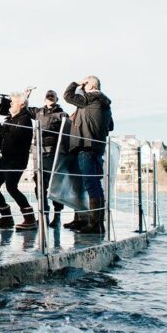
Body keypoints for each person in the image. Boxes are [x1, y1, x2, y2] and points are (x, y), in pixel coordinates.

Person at [63, 75, 113, 234]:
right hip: (98, 148)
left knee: (91, 185)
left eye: (85, 85)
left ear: (90, 86)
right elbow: (110, 126)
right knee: (95, 185)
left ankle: (94, 225)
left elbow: (68, 96)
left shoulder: (90, 97)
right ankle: (98, 224)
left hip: (86, 146)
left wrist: (76, 83)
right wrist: (81, 116)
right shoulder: (105, 103)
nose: (82, 88)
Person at [0, 92, 36, 230]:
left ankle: (30, 219)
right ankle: (7, 218)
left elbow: (16, 137)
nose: (10, 103)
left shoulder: (25, 119)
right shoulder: (9, 121)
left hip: (17, 160)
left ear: (22, 104)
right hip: (4, 160)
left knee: (11, 188)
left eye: (13, 101)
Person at [24, 87, 66, 228]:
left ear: (56, 99)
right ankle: (44, 216)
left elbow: (66, 134)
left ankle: (57, 217)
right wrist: (27, 95)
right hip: (38, 154)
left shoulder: (62, 114)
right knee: (39, 185)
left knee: (55, 185)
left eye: (53, 94)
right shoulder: (38, 112)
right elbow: (24, 108)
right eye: (48, 94)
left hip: (54, 154)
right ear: (44, 98)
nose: (50, 95)